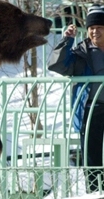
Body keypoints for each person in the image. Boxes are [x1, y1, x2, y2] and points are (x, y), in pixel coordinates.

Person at [48, 4, 104, 193]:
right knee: (91, 157)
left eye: (99, 27)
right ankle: (96, 192)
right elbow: (56, 65)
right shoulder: (81, 52)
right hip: (90, 109)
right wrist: (67, 40)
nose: (95, 31)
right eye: (92, 28)